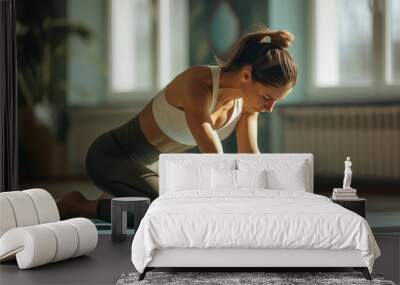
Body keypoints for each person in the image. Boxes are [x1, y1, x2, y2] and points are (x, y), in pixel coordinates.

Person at [57, 26, 298, 222]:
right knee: (165, 209)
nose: (270, 108)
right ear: (246, 75)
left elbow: (250, 158)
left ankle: (116, 200)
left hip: (152, 172)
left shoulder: (246, 105)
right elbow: (213, 154)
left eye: (276, 102)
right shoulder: (197, 83)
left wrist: (269, 199)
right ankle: (78, 206)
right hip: (111, 157)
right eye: (267, 98)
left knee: (175, 207)